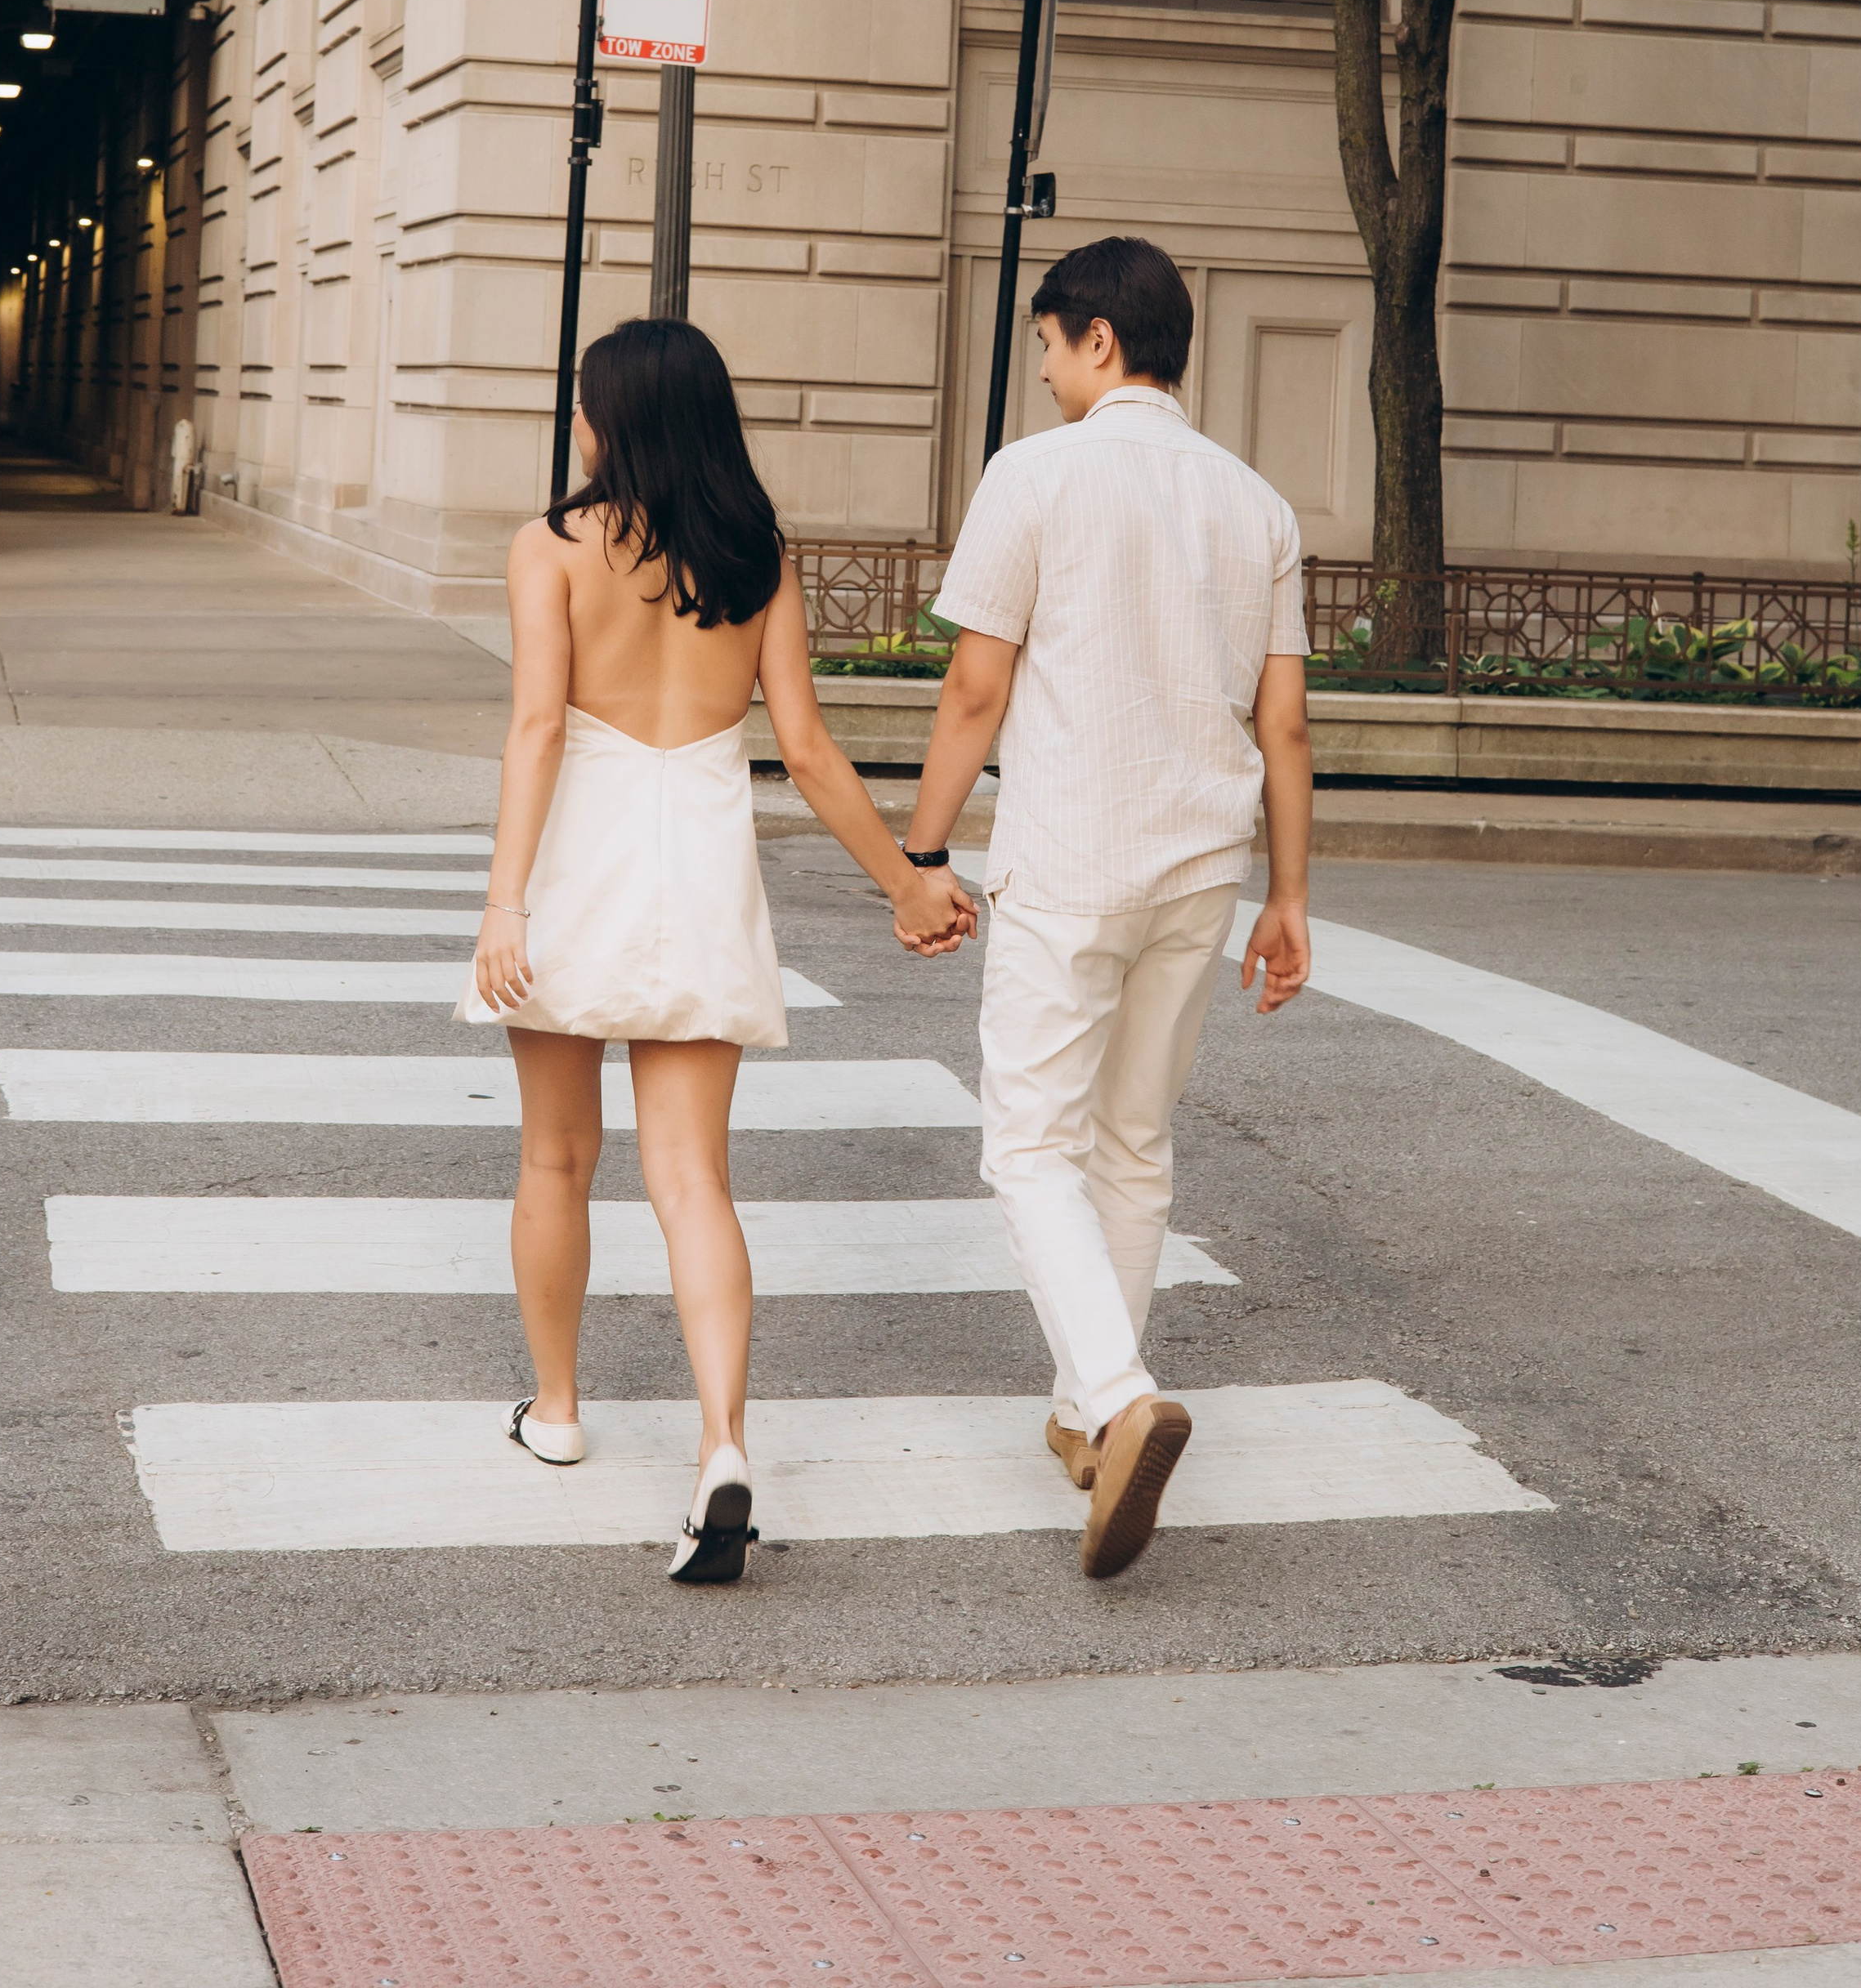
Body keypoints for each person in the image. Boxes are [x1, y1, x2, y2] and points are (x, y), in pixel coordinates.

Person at [463, 316, 973, 1583]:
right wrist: (905, 883)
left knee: (555, 1157)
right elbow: (806, 750)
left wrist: (504, 904)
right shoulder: (757, 556)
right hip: (697, 863)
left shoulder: (549, 549)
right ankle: (723, 1446)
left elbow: (537, 730)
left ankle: (561, 1410)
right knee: (693, 1179)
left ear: (609, 421)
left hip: (580, 856)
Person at [899, 235, 1313, 1579]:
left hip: (1071, 857)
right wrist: (1292, 896)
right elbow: (1287, 722)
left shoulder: (1036, 477)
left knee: (1028, 1146)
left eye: (1045, 346)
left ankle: (1120, 1398)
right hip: (1205, 865)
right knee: (1133, 1144)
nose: (1043, 370)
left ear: (1095, 340)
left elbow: (976, 689)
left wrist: (923, 848)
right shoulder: (1255, 504)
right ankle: (1092, 1419)